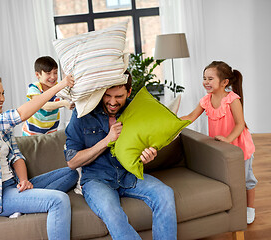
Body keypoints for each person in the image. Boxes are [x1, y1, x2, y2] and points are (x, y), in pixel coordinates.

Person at [0, 72, 79, 239]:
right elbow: (21, 115)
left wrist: (24, 181)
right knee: (58, 201)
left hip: (14, 185)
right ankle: (24, 202)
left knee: (72, 173)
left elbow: (16, 156)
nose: (2, 98)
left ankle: (24, 203)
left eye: (3, 93)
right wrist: (60, 85)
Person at [64, 71, 177, 240]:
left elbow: (143, 146)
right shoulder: (83, 113)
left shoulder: (136, 111)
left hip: (128, 175)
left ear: (129, 92)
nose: (112, 102)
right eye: (107, 95)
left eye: (119, 96)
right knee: (112, 212)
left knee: (165, 194)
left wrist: (147, 155)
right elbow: (72, 162)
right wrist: (107, 140)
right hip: (97, 180)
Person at [180, 61, 257, 224]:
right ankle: (234, 206)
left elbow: (240, 124)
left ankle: (250, 208)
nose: (206, 82)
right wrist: (171, 119)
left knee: (246, 179)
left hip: (239, 146)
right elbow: (190, 117)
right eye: (204, 78)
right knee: (227, 178)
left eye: (210, 78)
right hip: (221, 148)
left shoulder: (232, 99)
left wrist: (228, 139)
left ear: (224, 82)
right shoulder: (205, 100)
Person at [22, 56, 75, 136]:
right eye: (48, 73)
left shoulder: (58, 87)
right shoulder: (34, 88)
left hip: (51, 131)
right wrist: (63, 103)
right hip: (32, 133)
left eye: (55, 72)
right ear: (38, 74)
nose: (53, 77)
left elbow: (69, 95)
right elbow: (43, 105)